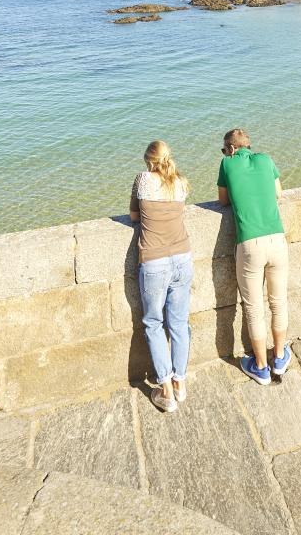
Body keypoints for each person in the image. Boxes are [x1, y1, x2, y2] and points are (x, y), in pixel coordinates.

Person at [217, 128, 290, 384]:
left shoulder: (227, 164)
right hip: (277, 240)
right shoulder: (266, 160)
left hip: (249, 244)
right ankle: (280, 357)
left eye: (225, 149)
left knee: (253, 307)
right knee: (278, 302)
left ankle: (260, 366)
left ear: (232, 148)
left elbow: (223, 200)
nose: (225, 153)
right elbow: (278, 193)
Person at [130, 139, 193, 412]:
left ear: (148, 160)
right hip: (182, 258)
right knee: (179, 323)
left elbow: (134, 216)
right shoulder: (180, 183)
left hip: (154, 262)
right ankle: (180, 383)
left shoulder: (142, 180)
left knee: (154, 323)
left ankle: (165, 389)